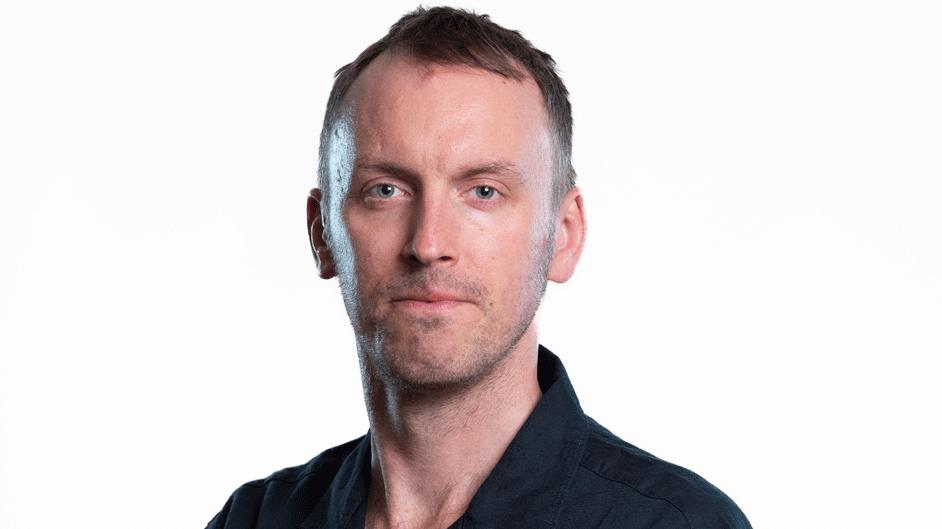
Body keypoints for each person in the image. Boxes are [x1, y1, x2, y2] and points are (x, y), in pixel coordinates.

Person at [206, 6, 752, 529]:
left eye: (483, 191)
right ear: (322, 234)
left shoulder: (674, 524)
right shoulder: (254, 520)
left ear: (563, 235)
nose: (429, 243)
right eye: (386, 190)